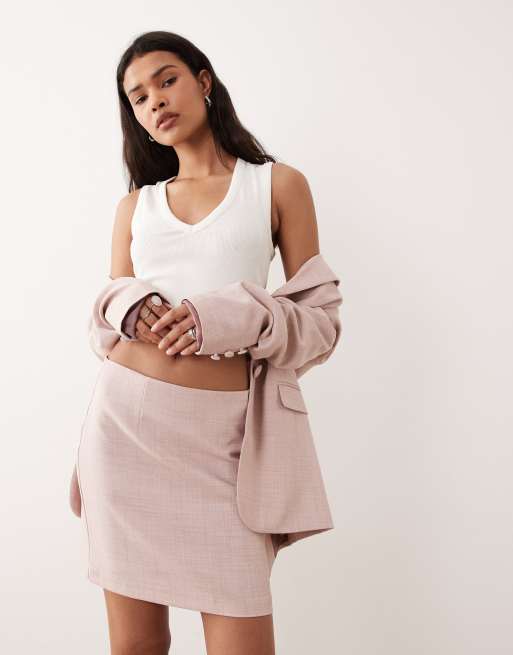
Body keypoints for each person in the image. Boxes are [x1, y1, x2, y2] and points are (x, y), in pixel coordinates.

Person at [75, 30, 330, 655]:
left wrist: (231, 315)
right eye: (138, 97)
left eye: (166, 80)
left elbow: (320, 323)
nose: (155, 101)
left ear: (204, 81)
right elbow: (103, 322)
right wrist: (130, 308)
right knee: (136, 647)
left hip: (228, 447)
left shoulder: (277, 186)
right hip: (126, 432)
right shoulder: (136, 206)